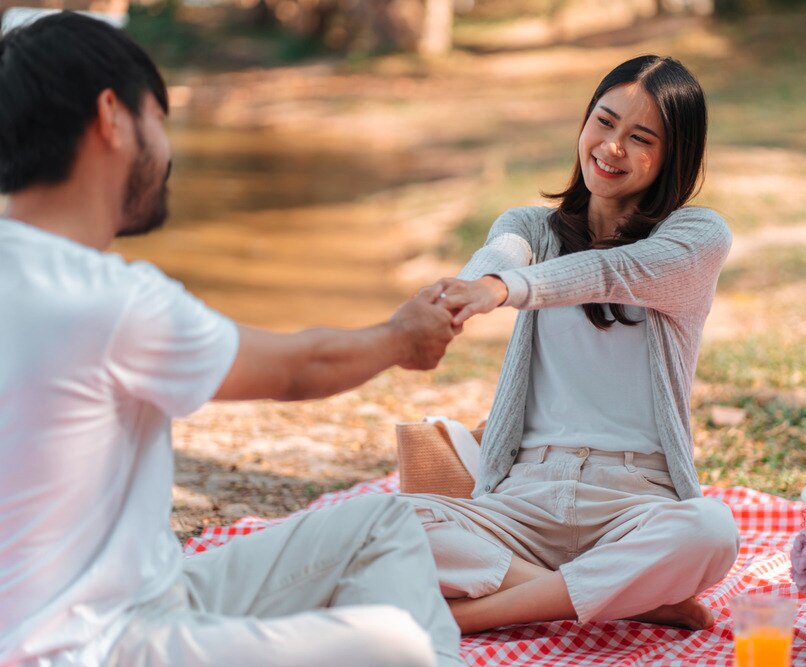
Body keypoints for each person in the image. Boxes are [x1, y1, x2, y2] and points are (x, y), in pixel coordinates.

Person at [0, 13, 462, 667]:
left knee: (382, 523)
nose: (164, 149)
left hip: (154, 598)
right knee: (397, 647)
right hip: (98, 648)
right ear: (111, 116)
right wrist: (399, 338)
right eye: (157, 119)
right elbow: (299, 368)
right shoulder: (111, 299)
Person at [404, 55, 740, 634]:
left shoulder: (695, 238)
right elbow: (497, 256)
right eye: (604, 123)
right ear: (584, 123)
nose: (612, 148)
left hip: (635, 503)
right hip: (524, 501)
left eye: (640, 138)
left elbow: (610, 272)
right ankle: (631, 600)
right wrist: (478, 284)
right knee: (388, 521)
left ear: (672, 156)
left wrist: (505, 290)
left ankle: (476, 615)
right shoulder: (532, 227)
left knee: (711, 530)